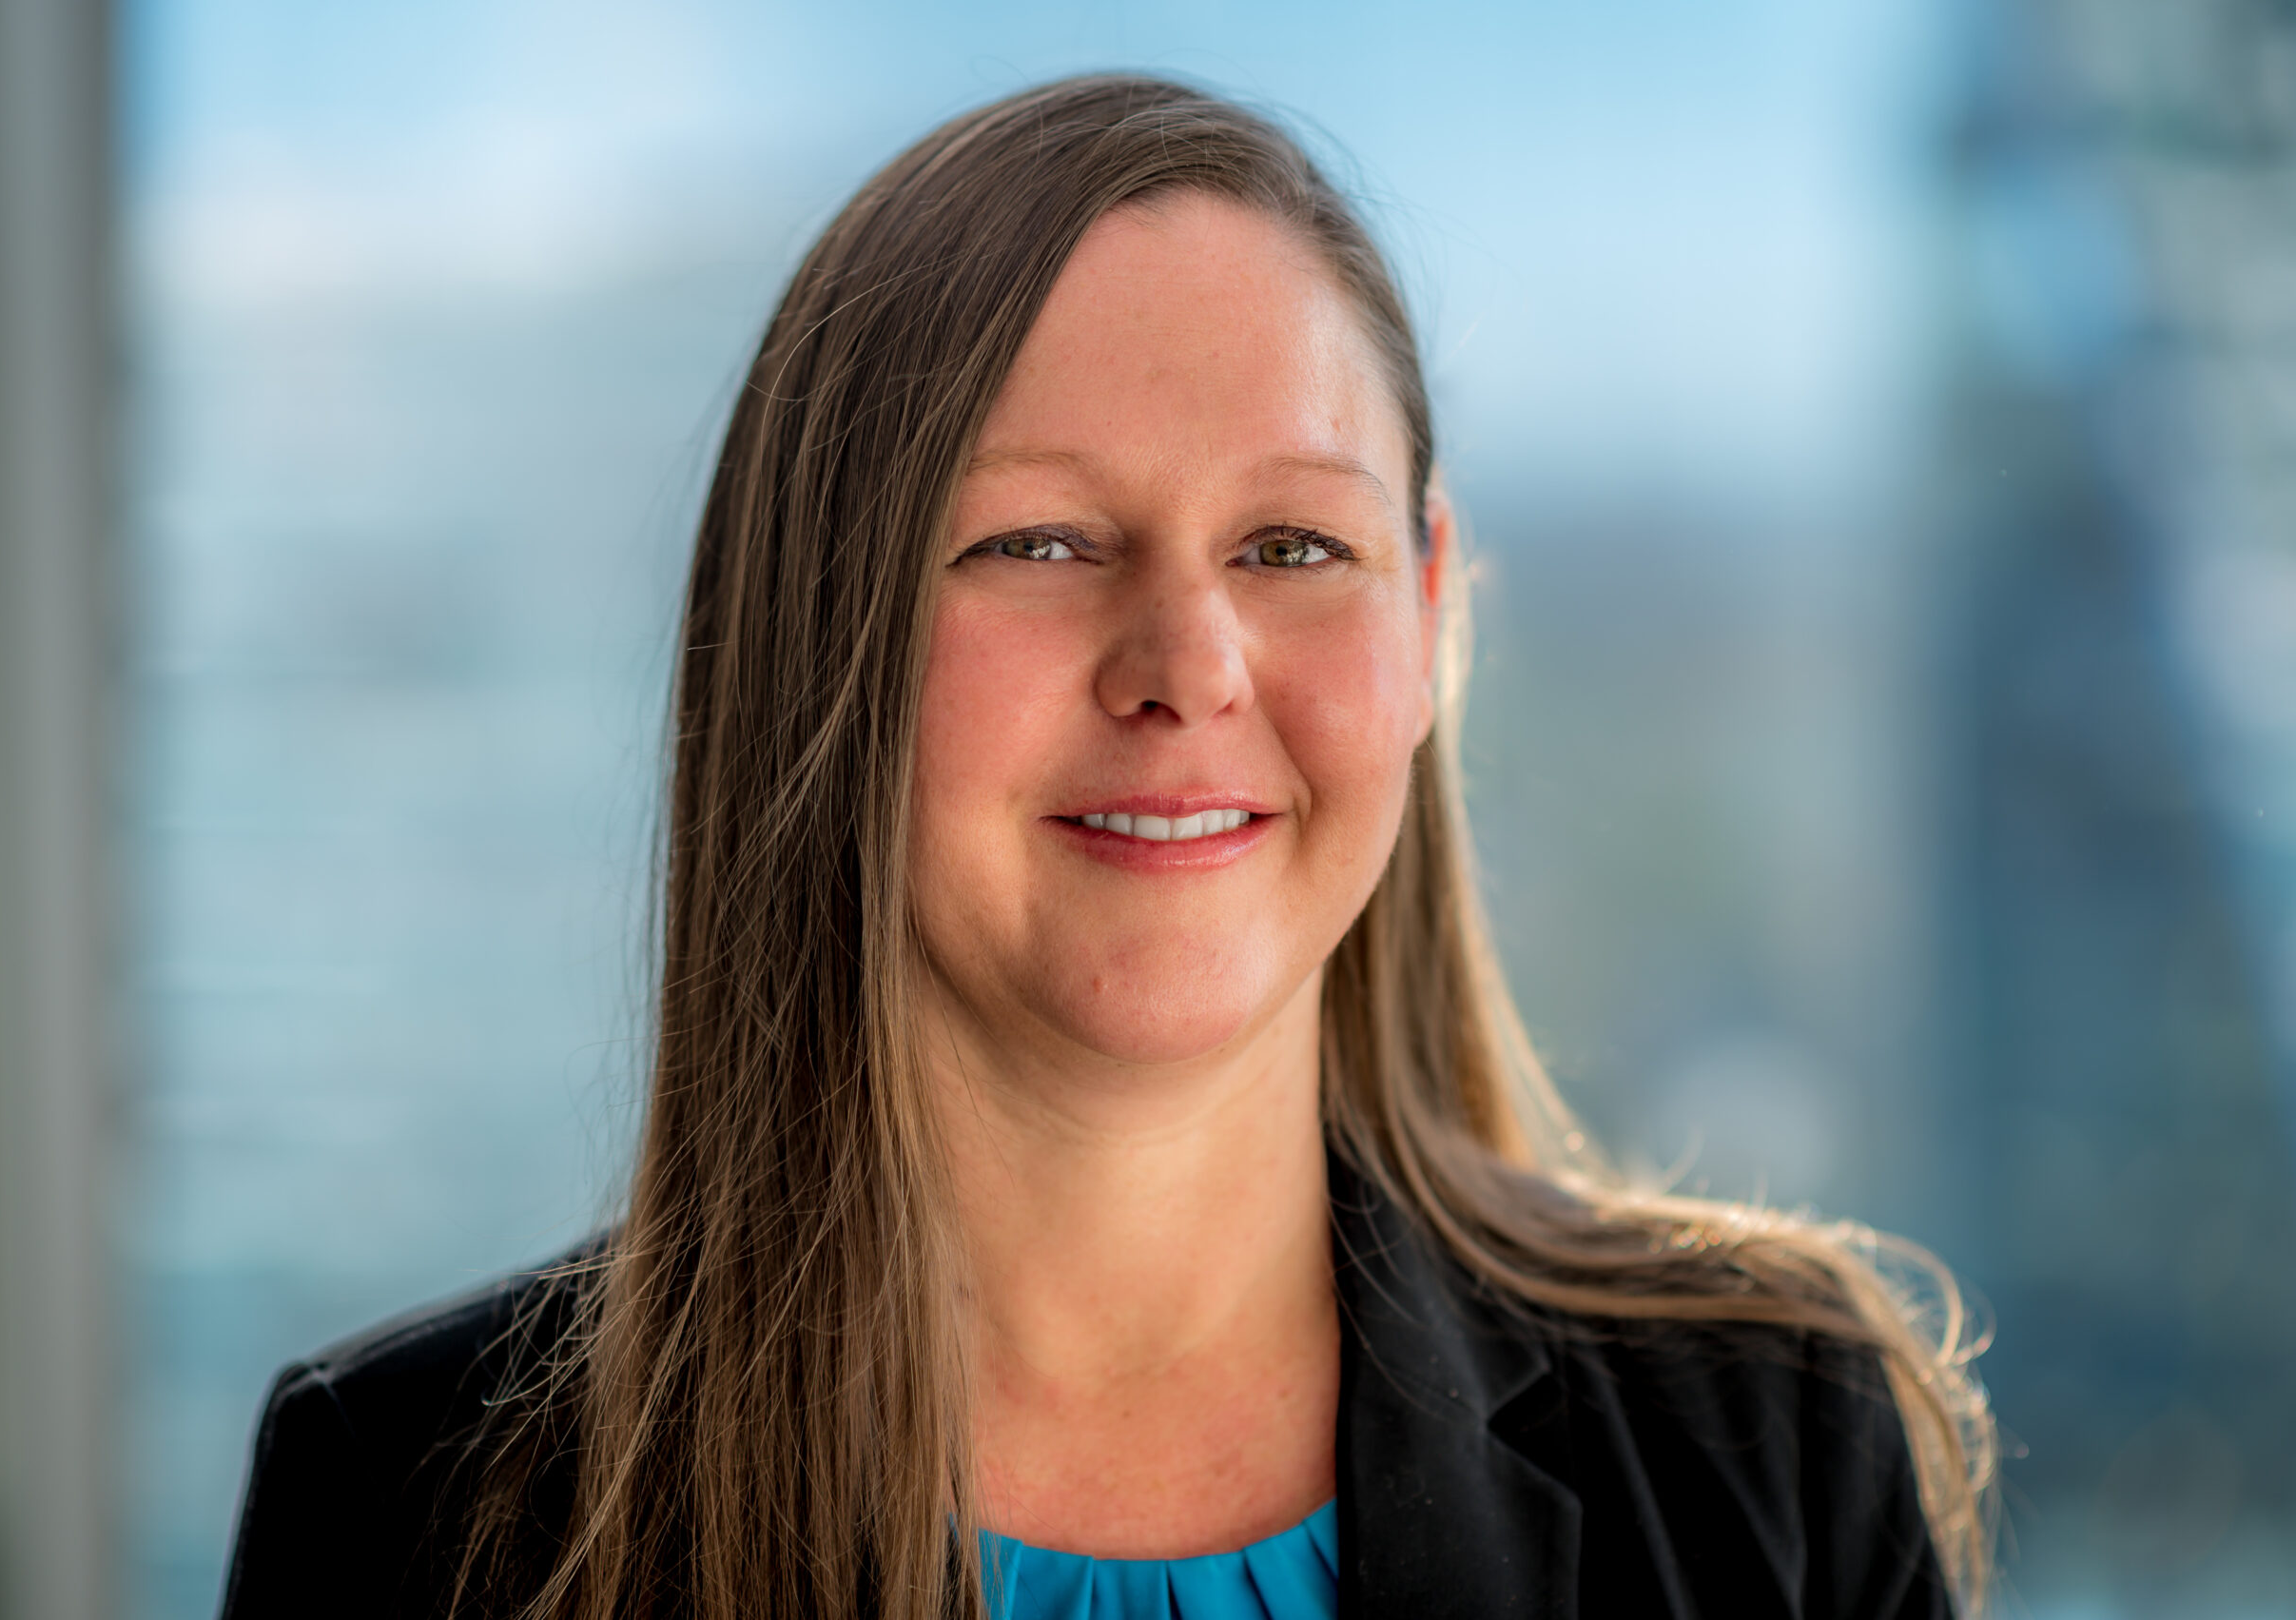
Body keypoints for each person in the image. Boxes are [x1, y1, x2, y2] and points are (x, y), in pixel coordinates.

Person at [219, 74, 1994, 1620]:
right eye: (1045, 542)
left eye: (1293, 548)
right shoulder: (413, 1510)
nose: (1188, 667)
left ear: (1435, 614)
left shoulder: (1774, 1447)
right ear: (813, 632)